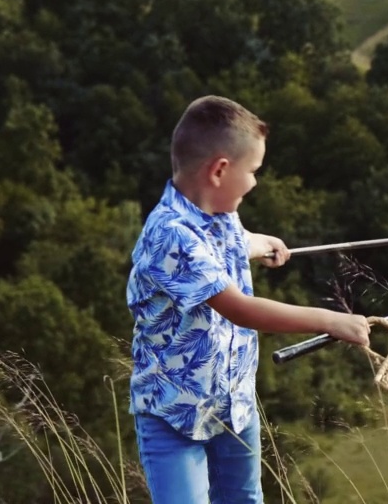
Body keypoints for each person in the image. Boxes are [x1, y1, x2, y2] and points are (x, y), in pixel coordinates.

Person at [127, 95, 371, 504]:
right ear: (220, 170)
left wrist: (260, 244)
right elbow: (239, 308)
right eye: (254, 171)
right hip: (175, 417)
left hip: (233, 406)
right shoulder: (171, 234)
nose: (256, 181)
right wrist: (328, 320)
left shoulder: (220, 212)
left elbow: (230, 242)